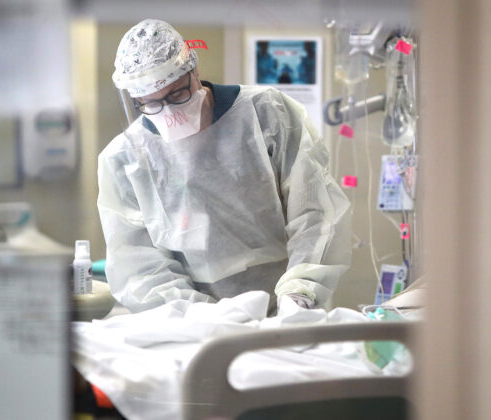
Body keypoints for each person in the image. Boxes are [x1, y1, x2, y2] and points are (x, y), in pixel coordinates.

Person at [98, 19, 351, 313]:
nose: (169, 112)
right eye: (151, 103)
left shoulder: (267, 114)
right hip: (193, 320)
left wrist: (299, 294)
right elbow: (138, 263)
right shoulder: (126, 158)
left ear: (194, 71)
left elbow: (315, 213)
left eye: (177, 94)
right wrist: (201, 314)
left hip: (286, 305)